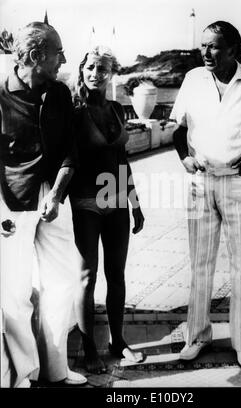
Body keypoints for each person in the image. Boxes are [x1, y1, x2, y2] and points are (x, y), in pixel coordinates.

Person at [170, 21, 241, 368]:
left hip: (240, 183)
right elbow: (179, 129)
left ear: (234, 49)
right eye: (203, 45)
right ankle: (197, 337)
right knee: (200, 266)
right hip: (201, 184)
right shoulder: (192, 79)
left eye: (215, 46)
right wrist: (186, 159)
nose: (206, 52)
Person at [0, 22, 87, 387]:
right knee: (14, 291)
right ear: (36, 56)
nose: (63, 60)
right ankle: (24, 375)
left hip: (53, 195)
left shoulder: (60, 93)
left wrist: (57, 194)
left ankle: (56, 369)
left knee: (63, 281)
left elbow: (70, 148)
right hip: (11, 201)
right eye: (58, 54)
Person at [69, 45, 145, 374]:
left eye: (102, 69)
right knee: (87, 278)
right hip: (86, 202)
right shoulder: (74, 110)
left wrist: (136, 203)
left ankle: (118, 340)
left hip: (116, 202)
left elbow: (122, 159)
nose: (95, 74)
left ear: (111, 74)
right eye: (90, 67)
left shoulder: (116, 108)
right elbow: (66, 159)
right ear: (82, 69)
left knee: (117, 276)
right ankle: (89, 349)